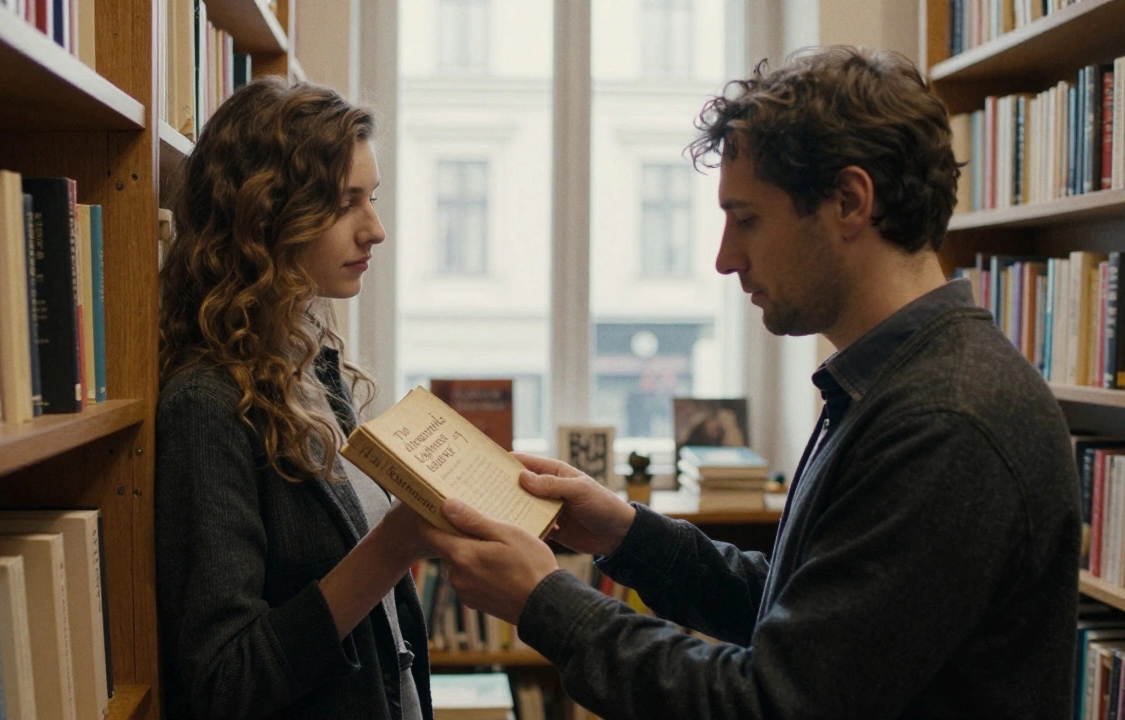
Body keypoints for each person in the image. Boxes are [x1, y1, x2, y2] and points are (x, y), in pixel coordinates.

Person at [423, 46, 1081, 719]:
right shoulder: (901, 381)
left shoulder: (946, 420)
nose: (723, 258)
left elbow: (772, 703)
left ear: (850, 202)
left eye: (748, 220)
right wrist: (626, 534)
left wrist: (546, 601)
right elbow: (803, 610)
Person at [155, 77, 434, 720]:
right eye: (346, 203)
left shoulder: (311, 366)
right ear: (264, 215)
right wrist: (392, 548)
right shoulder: (206, 406)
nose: (376, 230)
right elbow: (224, 680)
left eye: (374, 199)